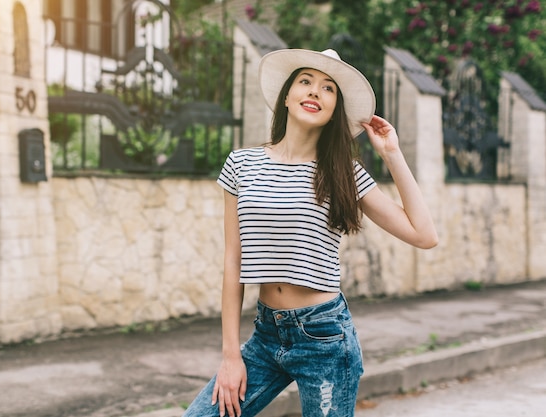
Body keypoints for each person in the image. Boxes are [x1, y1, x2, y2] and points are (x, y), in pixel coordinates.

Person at [183, 48, 438, 417]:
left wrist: (392, 154)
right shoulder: (242, 164)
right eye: (306, 82)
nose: (315, 92)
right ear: (286, 96)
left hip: (325, 338)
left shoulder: (342, 172)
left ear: (335, 108)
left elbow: (423, 235)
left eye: (328, 88)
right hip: (266, 335)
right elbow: (233, 259)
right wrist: (230, 355)